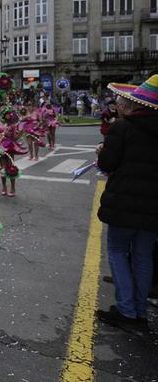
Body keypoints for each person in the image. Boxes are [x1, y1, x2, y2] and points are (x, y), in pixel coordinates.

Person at [95, 75, 158, 330]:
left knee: (119, 252)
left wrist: (102, 153)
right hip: (153, 206)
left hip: (124, 203)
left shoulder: (122, 128)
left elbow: (108, 165)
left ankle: (126, 310)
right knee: (143, 256)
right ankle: (140, 311)